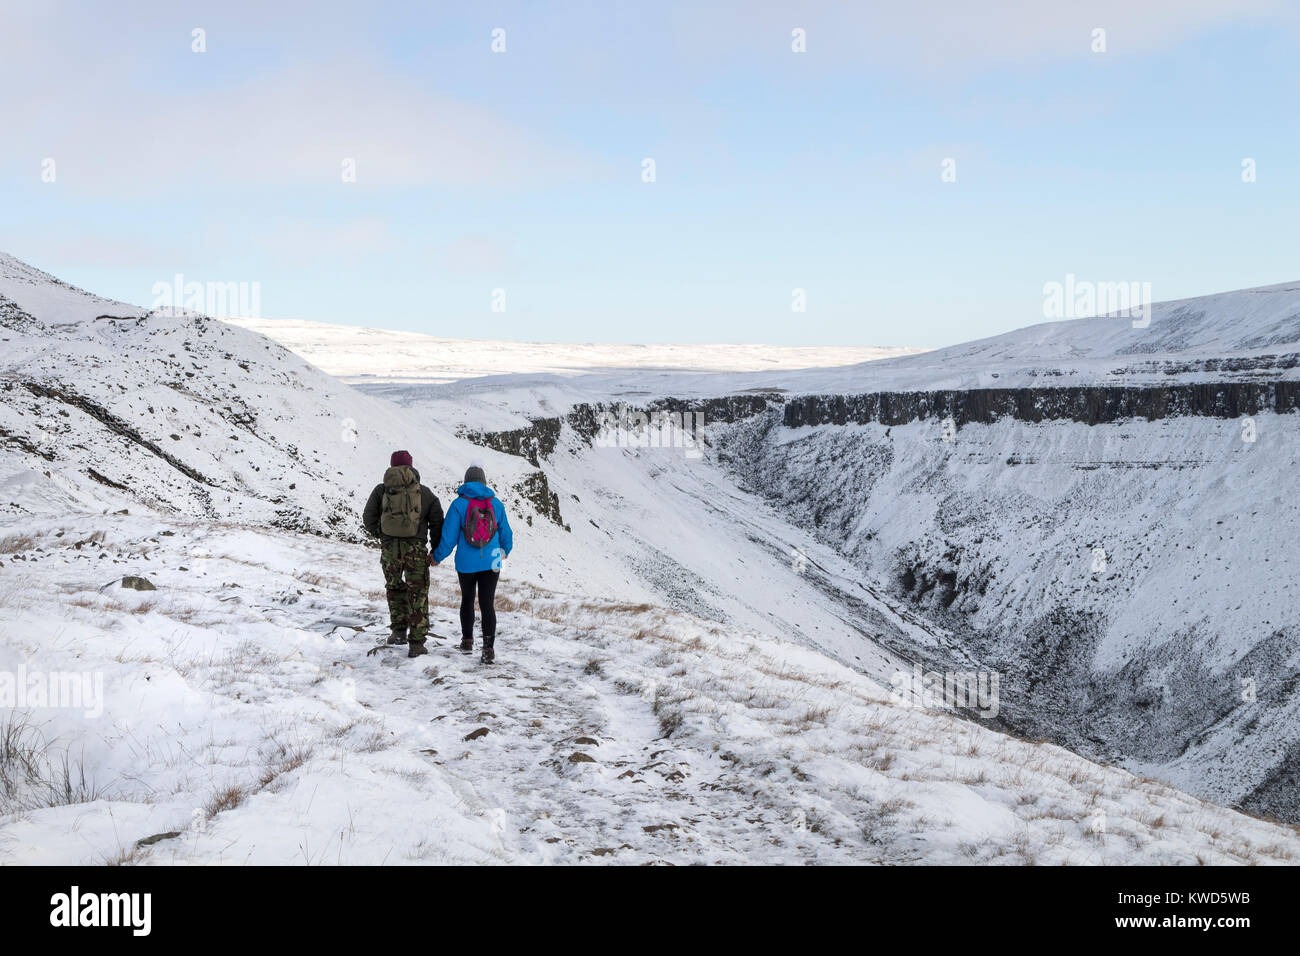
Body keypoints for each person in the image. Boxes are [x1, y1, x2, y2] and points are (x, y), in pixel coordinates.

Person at [362, 450, 444, 658]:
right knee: (418, 593)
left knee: (394, 588)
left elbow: (368, 517)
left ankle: (398, 632)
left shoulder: (381, 490)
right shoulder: (423, 493)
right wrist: (435, 548)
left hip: (390, 551)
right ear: (411, 466)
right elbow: (437, 519)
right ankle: (416, 644)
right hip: (415, 550)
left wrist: (383, 536)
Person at [432, 465, 513, 664]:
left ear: (466, 481)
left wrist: (436, 557)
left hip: (466, 562)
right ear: (484, 481)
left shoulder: (458, 504)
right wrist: (503, 552)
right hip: (492, 560)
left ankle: (467, 641)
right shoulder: (496, 504)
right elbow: (507, 534)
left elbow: (449, 538)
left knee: (467, 599)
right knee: (487, 604)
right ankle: (488, 650)